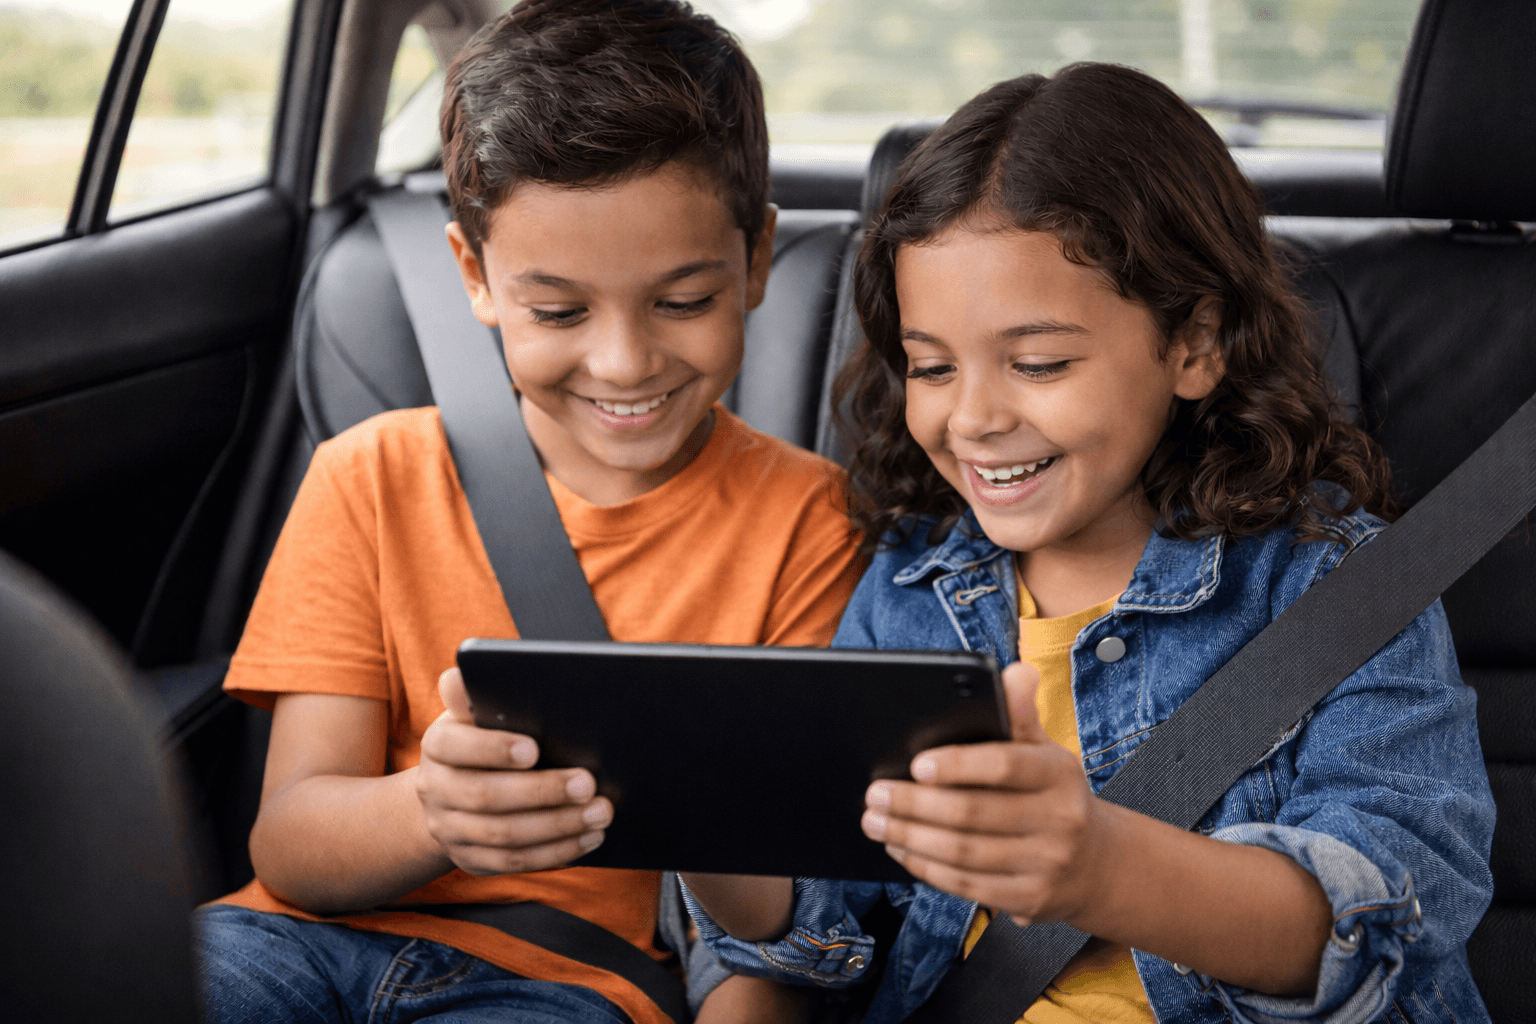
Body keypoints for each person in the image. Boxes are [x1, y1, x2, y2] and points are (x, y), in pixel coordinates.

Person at [681, 63, 1496, 1024]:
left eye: (1038, 363)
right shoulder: (909, 595)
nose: (974, 418)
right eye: (932, 367)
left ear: (1194, 344)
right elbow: (820, 925)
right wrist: (697, 816)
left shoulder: (1332, 586)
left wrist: (1100, 867)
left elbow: (1385, 912)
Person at [194, 2, 863, 1022]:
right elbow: (289, 841)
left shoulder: (811, 526)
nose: (625, 362)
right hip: (292, 943)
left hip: (567, 981)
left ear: (757, 262)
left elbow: (781, 921)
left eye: (683, 301)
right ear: (477, 277)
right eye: (558, 311)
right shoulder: (369, 477)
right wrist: (430, 808)